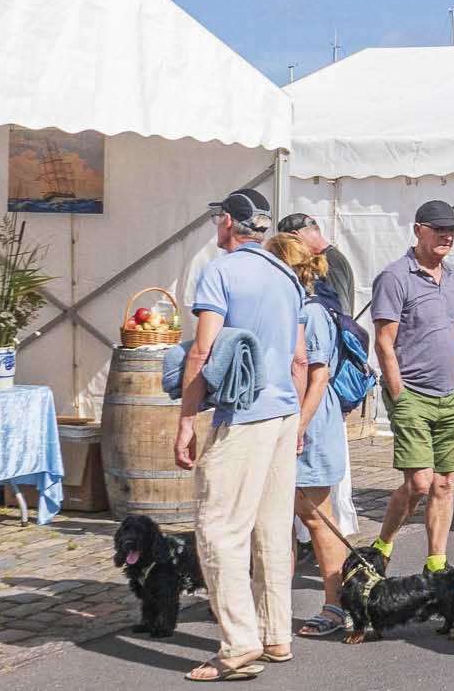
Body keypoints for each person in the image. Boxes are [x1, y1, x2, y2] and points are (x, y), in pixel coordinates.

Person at [174, 188, 305, 681]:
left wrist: (187, 419)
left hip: (244, 415)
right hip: (282, 411)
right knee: (271, 529)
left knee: (218, 528)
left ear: (229, 221)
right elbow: (298, 356)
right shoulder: (286, 274)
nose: (216, 226)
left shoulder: (221, 270)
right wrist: (296, 422)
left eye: (218, 218)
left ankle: (238, 645)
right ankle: (275, 636)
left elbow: (201, 354)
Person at [367, 200, 454, 575]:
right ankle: (382, 544)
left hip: (452, 398)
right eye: (439, 229)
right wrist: (399, 394)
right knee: (419, 484)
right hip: (413, 395)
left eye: (452, 230)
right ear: (418, 230)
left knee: (444, 483)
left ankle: (436, 564)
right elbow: (384, 342)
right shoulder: (395, 277)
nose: (448, 236)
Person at [263, 233, 353, 639]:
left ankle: (335, 605)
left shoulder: (312, 312)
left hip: (311, 423)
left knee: (317, 517)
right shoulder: (288, 306)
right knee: (280, 518)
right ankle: (274, 605)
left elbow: (318, 377)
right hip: (290, 419)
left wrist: (298, 425)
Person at [278, 212, 355, 315]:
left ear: (295, 235)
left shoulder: (331, 260)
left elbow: (341, 309)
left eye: (286, 244)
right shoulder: (326, 258)